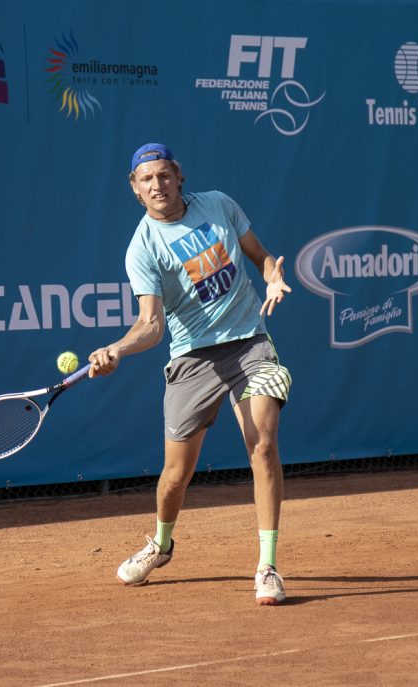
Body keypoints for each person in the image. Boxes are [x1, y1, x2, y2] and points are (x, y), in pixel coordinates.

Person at [87, 143, 293, 605]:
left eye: (163, 176)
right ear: (135, 190)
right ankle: (161, 545)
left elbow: (258, 254)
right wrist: (117, 348)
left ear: (178, 177)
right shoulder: (142, 247)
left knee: (262, 445)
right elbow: (152, 325)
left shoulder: (219, 204)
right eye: (146, 180)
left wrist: (272, 276)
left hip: (249, 343)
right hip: (192, 358)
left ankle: (267, 566)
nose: (157, 185)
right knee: (175, 476)